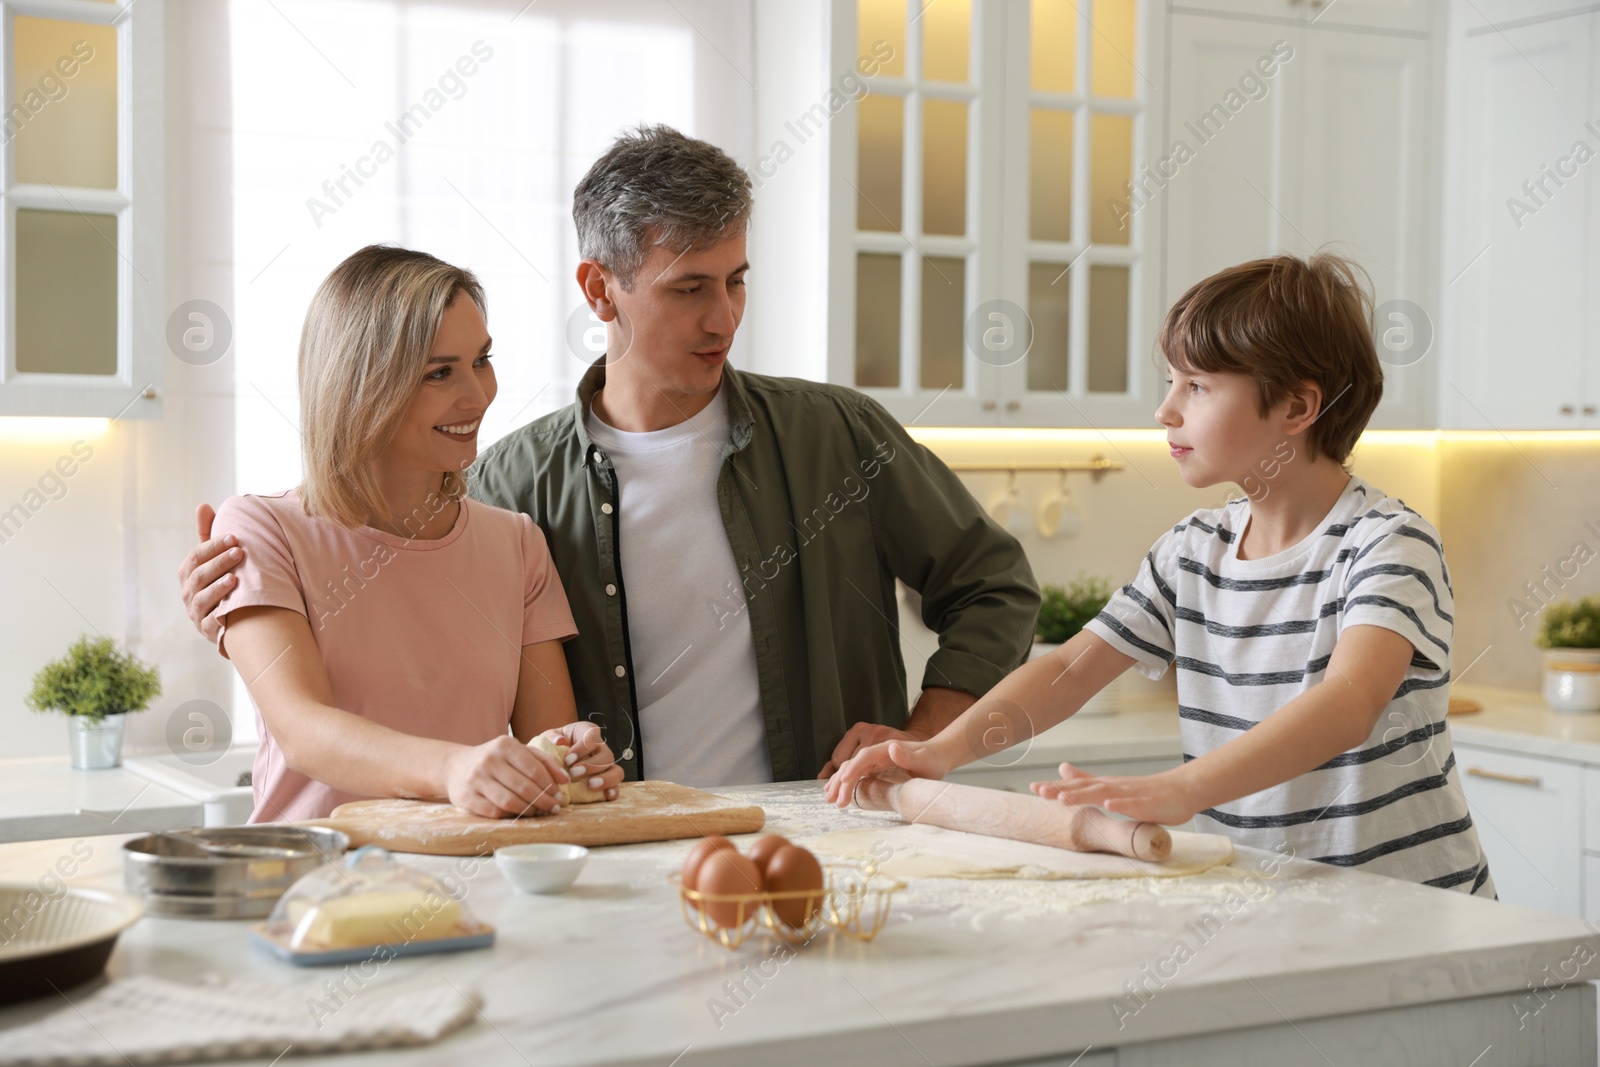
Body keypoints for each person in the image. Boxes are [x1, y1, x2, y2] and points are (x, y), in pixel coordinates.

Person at [179, 125, 1039, 789]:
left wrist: (928, 729)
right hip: (622, 865)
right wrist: (244, 593)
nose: (724, 317)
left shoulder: (838, 436)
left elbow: (994, 585)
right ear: (600, 289)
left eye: (736, 279)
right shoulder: (509, 485)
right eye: (689, 287)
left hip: (824, 834)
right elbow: (377, 557)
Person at [828, 253, 1495, 897]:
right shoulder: (1191, 549)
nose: (1165, 409)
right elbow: (1071, 670)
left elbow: (1349, 701)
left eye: (1197, 386)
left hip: (1410, 902)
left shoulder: (1387, 544)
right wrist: (941, 751)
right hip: (1270, 897)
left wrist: (1188, 786)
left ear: (1296, 408)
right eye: (1171, 380)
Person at [206, 245, 622, 822]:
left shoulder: (517, 544)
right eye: (439, 373)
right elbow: (303, 730)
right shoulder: (262, 530)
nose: (478, 395)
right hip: (311, 887)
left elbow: (542, 748)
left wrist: (567, 759)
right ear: (363, 384)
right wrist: (452, 769)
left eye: (482, 360)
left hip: (467, 892)